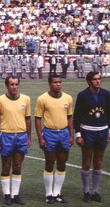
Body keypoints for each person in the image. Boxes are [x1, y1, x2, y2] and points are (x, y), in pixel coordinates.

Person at [0, 76, 31, 205]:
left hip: (21, 136)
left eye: (16, 84)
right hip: (6, 136)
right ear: (7, 86)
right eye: (11, 84)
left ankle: (15, 194)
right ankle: (7, 194)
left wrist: (29, 137)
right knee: (6, 166)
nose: (14, 87)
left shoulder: (26, 99)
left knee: (18, 166)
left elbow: (28, 119)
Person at [74, 72, 110, 203]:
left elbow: (109, 113)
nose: (98, 81)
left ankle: (95, 191)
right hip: (87, 131)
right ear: (89, 81)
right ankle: (86, 191)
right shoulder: (83, 95)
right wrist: (78, 134)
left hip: (102, 131)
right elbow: (77, 116)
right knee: (86, 162)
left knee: (98, 162)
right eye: (95, 79)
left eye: (99, 79)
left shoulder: (106, 94)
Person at [34, 75, 74, 204]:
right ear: (49, 84)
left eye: (60, 82)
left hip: (64, 133)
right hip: (49, 133)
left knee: (62, 163)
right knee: (50, 162)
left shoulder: (68, 98)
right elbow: (37, 119)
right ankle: (48, 194)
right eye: (55, 82)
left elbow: (70, 118)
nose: (58, 84)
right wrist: (40, 137)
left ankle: (57, 193)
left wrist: (71, 135)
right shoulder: (42, 99)